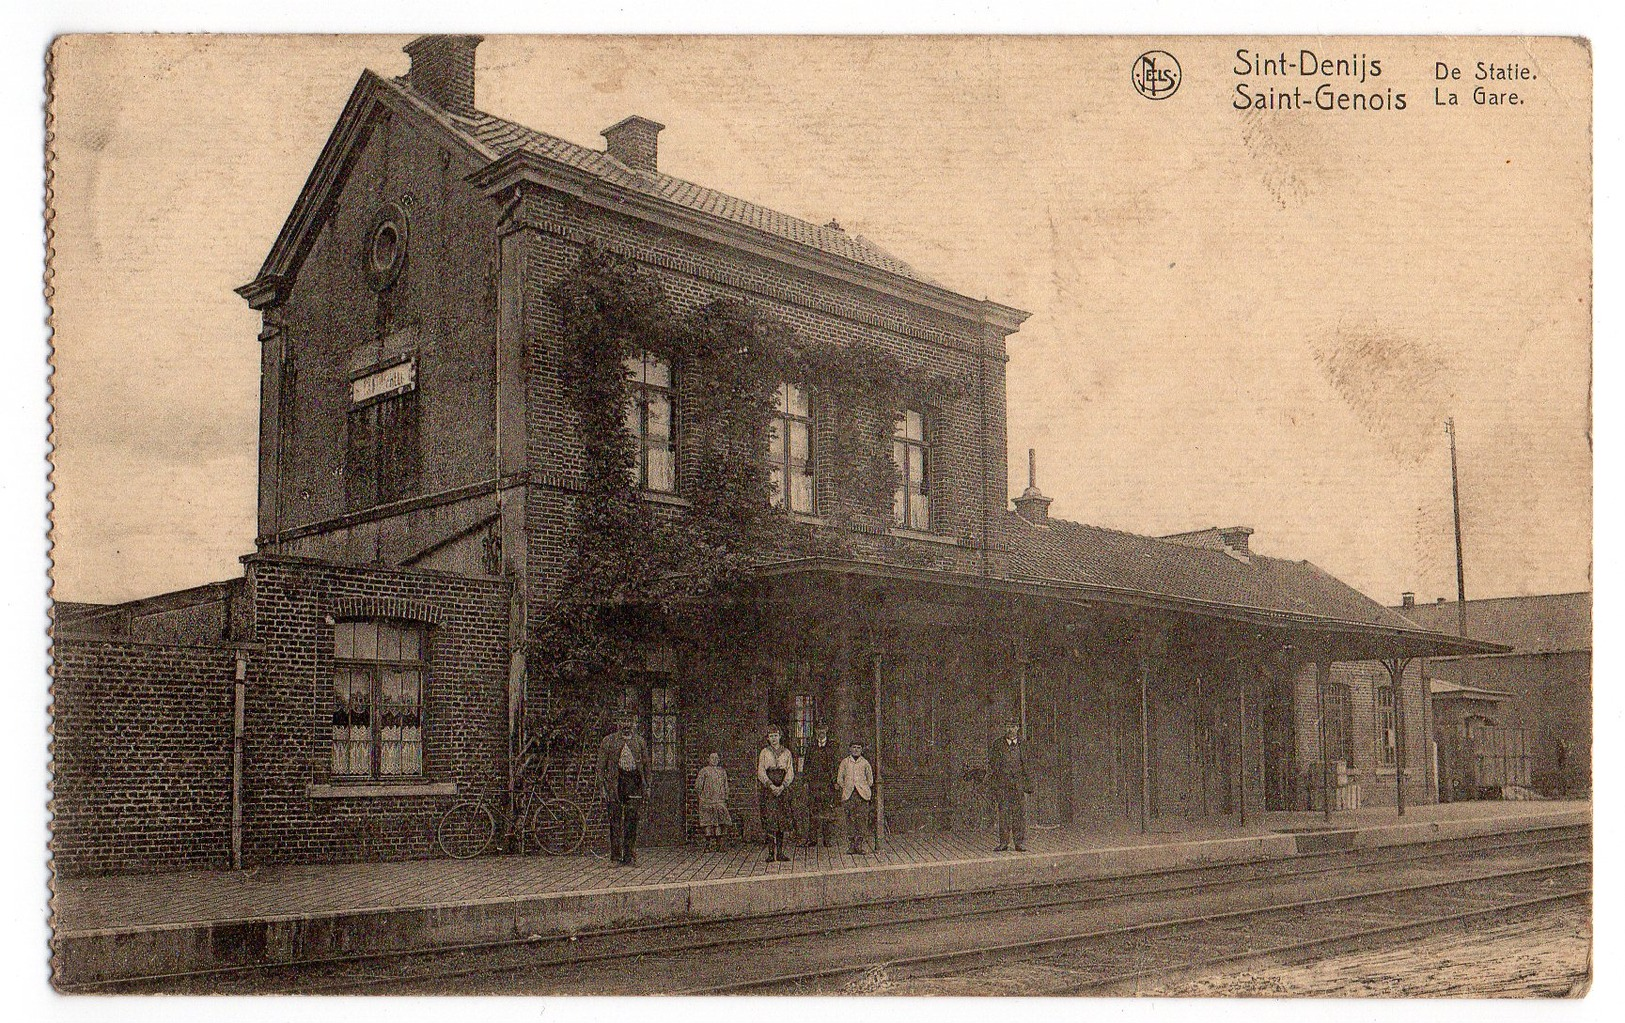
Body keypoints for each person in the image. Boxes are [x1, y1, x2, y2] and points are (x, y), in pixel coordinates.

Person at [595, 715, 649, 866]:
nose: (626, 725)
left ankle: (629, 857)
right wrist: (602, 788)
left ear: (634, 723)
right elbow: (600, 767)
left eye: (629, 721)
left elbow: (646, 766)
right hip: (615, 784)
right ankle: (615, 857)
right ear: (618, 723)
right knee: (615, 821)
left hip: (634, 783)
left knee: (632, 820)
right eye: (623, 721)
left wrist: (647, 785)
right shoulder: (609, 741)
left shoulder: (640, 742)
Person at [989, 720, 1032, 852]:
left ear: (1018, 728)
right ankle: (1004, 843)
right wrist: (997, 783)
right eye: (1008, 726)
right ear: (1004, 728)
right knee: (1004, 814)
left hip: (1018, 785)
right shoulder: (997, 745)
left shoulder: (1023, 745)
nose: (1011, 729)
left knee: (1019, 814)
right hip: (1003, 785)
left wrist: (1027, 784)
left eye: (1013, 727)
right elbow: (993, 765)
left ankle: (1019, 843)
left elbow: (1028, 765)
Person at [757, 726, 795, 863]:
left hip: (782, 788)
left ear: (780, 736)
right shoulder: (764, 753)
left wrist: (783, 786)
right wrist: (770, 785)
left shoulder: (787, 753)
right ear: (768, 738)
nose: (773, 738)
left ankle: (780, 853)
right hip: (769, 789)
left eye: (776, 735)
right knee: (770, 819)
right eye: (771, 736)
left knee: (781, 820)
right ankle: (770, 853)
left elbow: (790, 771)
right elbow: (761, 771)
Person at [802, 724, 840, 847]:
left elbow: (836, 765)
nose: (821, 732)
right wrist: (806, 781)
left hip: (828, 784)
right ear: (816, 731)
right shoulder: (811, 747)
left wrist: (835, 781)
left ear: (826, 730)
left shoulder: (833, 746)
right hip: (814, 783)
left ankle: (827, 839)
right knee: (813, 810)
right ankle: (812, 839)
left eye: (823, 729)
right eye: (818, 730)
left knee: (827, 810)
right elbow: (806, 766)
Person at [836, 740, 875, 854]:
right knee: (850, 820)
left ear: (862, 750)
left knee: (861, 820)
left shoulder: (865, 763)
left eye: (858, 747)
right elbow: (839, 778)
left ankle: (859, 845)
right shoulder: (845, 762)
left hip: (862, 796)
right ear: (850, 749)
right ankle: (851, 845)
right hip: (849, 795)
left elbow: (870, 780)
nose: (856, 750)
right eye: (854, 747)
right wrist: (847, 787)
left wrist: (863, 788)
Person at [694, 752, 732, 852]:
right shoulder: (704, 771)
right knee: (708, 823)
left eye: (716, 758)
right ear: (708, 759)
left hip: (719, 801)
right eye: (712, 758)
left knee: (719, 823)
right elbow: (698, 786)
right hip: (707, 801)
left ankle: (719, 844)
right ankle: (708, 845)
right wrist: (703, 798)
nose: (714, 760)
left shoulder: (722, 771)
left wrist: (725, 797)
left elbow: (725, 785)